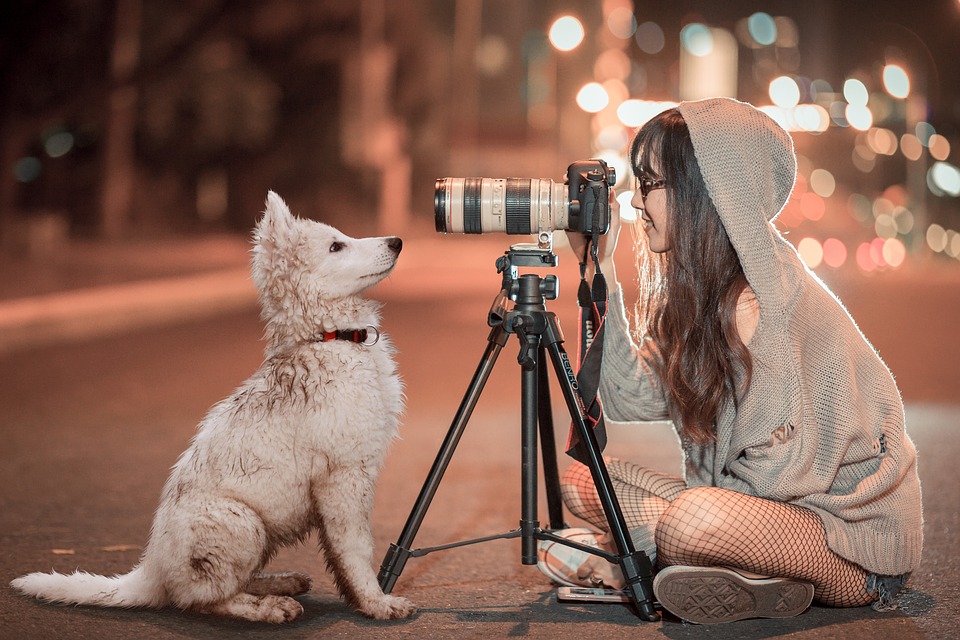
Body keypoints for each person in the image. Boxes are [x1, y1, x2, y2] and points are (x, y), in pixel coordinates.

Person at [539, 97, 923, 624]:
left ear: (709, 192)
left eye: (651, 184)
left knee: (691, 521)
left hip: (845, 541)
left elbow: (778, 485)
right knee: (580, 483)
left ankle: (654, 563)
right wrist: (599, 269)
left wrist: (665, 531)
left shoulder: (768, 308)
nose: (634, 202)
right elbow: (628, 397)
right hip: (753, 514)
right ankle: (716, 572)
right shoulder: (706, 298)